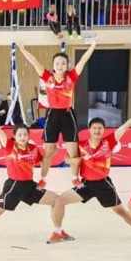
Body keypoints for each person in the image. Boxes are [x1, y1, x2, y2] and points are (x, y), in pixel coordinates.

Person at [49, 106, 131, 244]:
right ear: (89, 130)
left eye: (100, 128)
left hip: (103, 184)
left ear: (104, 130)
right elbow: (68, 157)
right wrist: (71, 161)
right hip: (86, 184)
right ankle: (57, 232)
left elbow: (127, 125)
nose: (97, 131)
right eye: (94, 128)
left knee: (120, 210)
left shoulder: (109, 142)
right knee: (59, 201)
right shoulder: (81, 145)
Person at [18, 40, 98, 188]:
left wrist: (92, 46)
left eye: (63, 63)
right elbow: (34, 61)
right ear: (53, 65)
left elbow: (83, 60)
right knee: (48, 151)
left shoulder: (71, 76)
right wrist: (23, 49)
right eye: (57, 63)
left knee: (73, 152)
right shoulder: (47, 76)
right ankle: (43, 179)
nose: (60, 66)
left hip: (68, 115)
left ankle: (75, 178)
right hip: (52, 115)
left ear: (67, 65)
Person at [0, 111, 58, 236]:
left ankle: (58, 232)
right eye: (19, 134)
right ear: (14, 136)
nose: (23, 137)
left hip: (29, 186)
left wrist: (45, 174)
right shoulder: (9, 146)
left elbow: (44, 161)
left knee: (56, 200)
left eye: (25, 134)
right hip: (13, 187)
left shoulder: (33, 149)